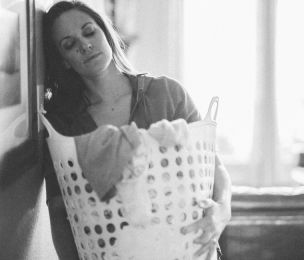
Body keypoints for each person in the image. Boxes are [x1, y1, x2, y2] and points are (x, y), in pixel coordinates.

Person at [42, 1, 231, 259]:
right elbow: (59, 211)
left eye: (89, 32)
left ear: (105, 34)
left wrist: (222, 212)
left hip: (188, 250)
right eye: (69, 44)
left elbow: (214, 168)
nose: (84, 45)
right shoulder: (65, 125)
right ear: (63, 61)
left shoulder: (167, 93)